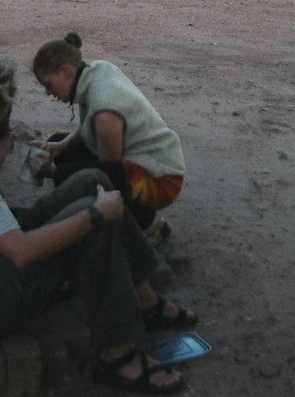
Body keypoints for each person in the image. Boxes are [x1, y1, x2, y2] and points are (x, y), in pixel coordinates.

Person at [0, 60, 197, 394]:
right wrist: (95, 215)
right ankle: (119, 355)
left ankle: (144, 299)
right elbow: (20, 251)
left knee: (92, 180)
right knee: (94, 218)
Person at [30, 32, 186, 242]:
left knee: (72, 176)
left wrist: (53, 172)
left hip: (161, 181)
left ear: (65, 71)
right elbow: (88, 126)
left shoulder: (105, 113)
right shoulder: (97, 70)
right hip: (145, 161)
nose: (48, 92)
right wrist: (61, 146)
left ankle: (149, 226)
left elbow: (105, 175)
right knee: (62, 148)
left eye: (48, 84)